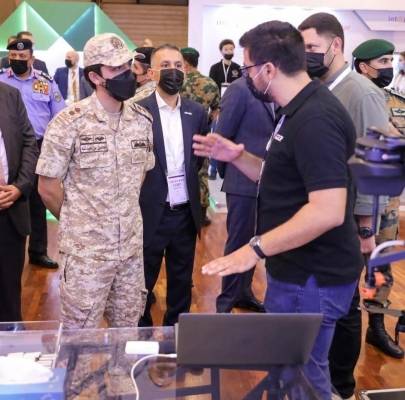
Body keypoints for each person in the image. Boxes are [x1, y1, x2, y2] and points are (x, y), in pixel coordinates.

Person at [193, 21, 363, 399]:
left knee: (301, 378)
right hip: (298, 272)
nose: (246, 76)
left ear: (269, 69)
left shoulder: (315, 119)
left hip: (311, 277)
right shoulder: (296, 109)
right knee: (290, 374)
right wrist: (237, 157)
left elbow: (328, 210)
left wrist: (252, 250)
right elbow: (281, 177)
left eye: (248, 68)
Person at [298, 15, 400, 400]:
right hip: (324, 217)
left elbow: (375, 165)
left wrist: (366, 229)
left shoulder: (361, 93)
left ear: (336, 45)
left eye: (312, 47)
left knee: (345, 304)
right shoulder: (322, 88)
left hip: (350, 222)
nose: (306, 55)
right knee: (327, 301)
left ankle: (341, 385)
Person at [36, 33, 155, 329]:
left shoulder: (142, 120)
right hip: (86, 256)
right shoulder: (69, 123)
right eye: (115, 69)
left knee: (127, 331)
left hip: (130, 252)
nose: (126, 73)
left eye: (127, 66)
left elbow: (140, 176)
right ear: (95, 76)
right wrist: (81, 221)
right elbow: (47, 188)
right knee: (80, 337)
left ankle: (120, 366)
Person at [135, 44, 209, 327]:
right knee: (143, 281)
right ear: (153, 72)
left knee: (181, 281)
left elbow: (197, 160)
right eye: (165, 65)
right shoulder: (138, 111)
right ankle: (141, 333)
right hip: (149, 210)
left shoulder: (196, 112)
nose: (173, 71)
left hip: (184, 212)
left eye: (178, 66)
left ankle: (175, 336)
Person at [0, 38, 65, 269]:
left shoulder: (45, 82)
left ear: (32, 59)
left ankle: (38, 251)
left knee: (38, 201)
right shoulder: (1, 79)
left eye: (22, 57)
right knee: (9, 196)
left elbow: (59, 115)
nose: (17, 60)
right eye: (13, 57)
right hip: (7, 148)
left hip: (38, 146)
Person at [214, 76, 274, 314]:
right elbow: (222, 136)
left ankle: (243, 293)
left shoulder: (276, 87)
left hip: (268, 181)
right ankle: (226, 303)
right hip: (242, 181)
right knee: (239, 242)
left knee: (256, 242)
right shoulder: (239, 89)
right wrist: (229, 173)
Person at [0, 82, 38, 323]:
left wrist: (20, 187)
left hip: (10, 210)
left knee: (9, 294)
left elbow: (29, 143)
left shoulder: (10, 95)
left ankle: (11, 342)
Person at [180, 46, 220, 226]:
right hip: (201, 135)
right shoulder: (210, 83)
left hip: (179, 133)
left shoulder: (178, 82)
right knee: (202, 172)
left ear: (185, 63)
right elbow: (216, 110)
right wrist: (207, 123)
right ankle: (202, 214)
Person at [208, 39, 242, 180]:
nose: (229, 52)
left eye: (231, 49)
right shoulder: (215, 68)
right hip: (219, 107)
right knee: (216, 136)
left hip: (233, 106)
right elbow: (212, 88)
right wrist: (214, 108)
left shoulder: (238, 68)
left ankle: (229, 168)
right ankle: (213, 168)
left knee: (231, 137)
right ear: (221, 51)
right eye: (226, 49)